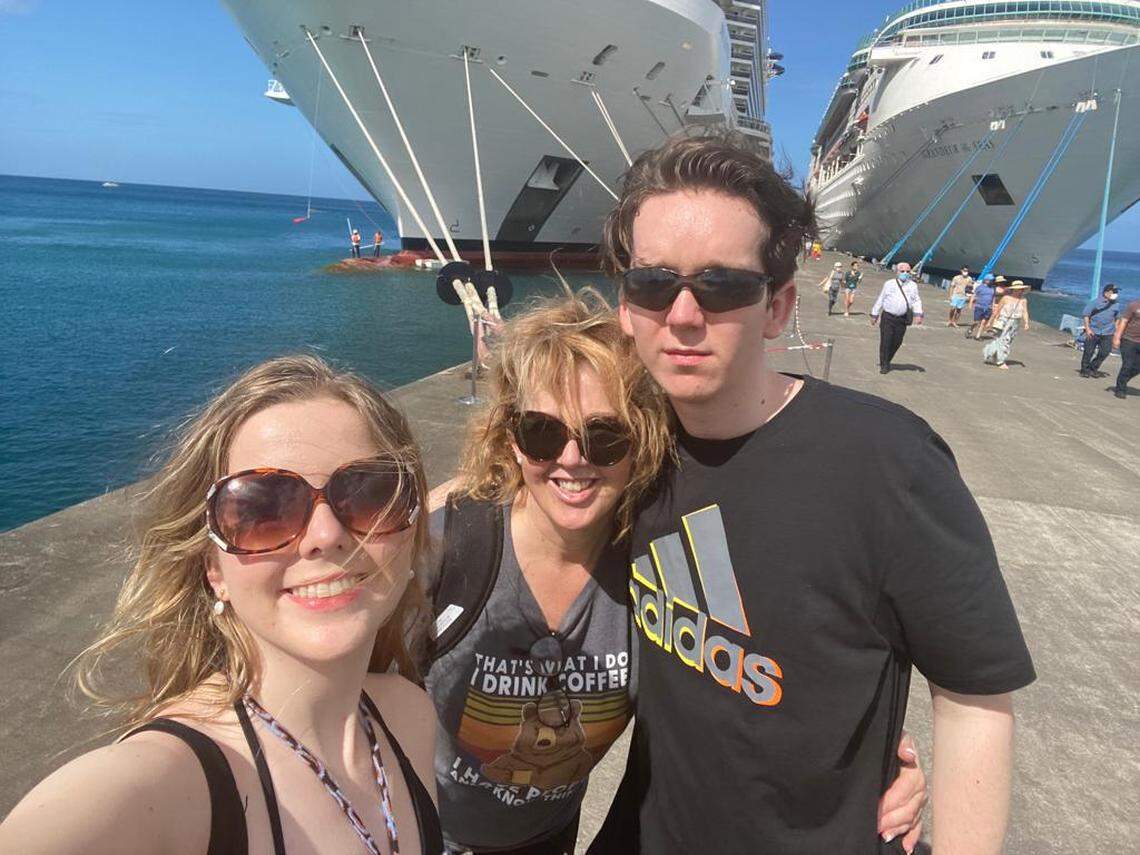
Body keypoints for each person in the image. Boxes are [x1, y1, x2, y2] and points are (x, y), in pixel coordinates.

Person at [594, 133, 1035, 854]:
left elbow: (974, 697)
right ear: (625, 306)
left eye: (721, 285)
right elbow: (496, 498)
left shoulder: (888, 464)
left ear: (777, 307)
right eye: (653, 283)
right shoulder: (618, 447)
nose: (682, 315)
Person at [422, 293, 929, 854]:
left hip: (548, 839)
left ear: (639, 438)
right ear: (511, 441)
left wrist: (876, 752)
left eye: (604, 436)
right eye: (542, 432)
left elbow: (758, 660)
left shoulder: (654, 563)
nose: (571, 458)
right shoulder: (448, 547)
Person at [0, 355, 444, 854]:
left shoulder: (410, 717)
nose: (325, 535)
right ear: (214, 569)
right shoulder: (166, 789)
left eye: (370, 492)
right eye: (262, 507)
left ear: (411, 533)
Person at [870, 261, 924, 373]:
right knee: (886, 341)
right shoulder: (889, 284)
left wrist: (918, 314)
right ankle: (884, 364)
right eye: (902, 271)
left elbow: (916, 300)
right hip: (888, 317)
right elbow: (881, 298)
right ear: (897, 272)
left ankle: (887, 359)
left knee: (897, 342)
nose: (905, 273)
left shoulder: (913, 285)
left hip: (902, 318)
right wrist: (874, 314)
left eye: (907, 271)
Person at [983, 280, 1031, 369]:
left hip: (1015, 323)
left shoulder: (1023, 300)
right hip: (1004, 321)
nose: (1020, 291)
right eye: (1019, 289)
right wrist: (990, 321)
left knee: (1005, 341)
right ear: (1014, 290)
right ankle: (1000, 361)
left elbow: (1025, 311)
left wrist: (1026, 322)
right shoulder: (1006, 298)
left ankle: (991, 353)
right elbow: (997, 310)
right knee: (1004, 341)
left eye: (1022, 289)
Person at [1080, 283, 1122, 378]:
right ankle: (1084, 370)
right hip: (1093, 331)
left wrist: (1116, 329)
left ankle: (1093, 368)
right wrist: (1088, 329)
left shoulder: (1116, 304)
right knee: (1088, 352)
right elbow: (1086, 315)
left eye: (1116, 292)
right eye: (1114, 292)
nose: (1116, 294)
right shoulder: (1095, 302)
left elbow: (1118, 317)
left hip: (1108, 332)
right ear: (1106, 293)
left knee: (1105, 352)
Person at [1111, 295, 1139, 399]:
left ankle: (1123, 379)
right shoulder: (1134, 305)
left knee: (1137, 367)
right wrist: (1116, 337)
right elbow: (1124, 321)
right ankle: (1120, 389)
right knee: (1128, 364)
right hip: (1128, 339)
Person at [967, 273, 997, 339]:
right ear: (986, 280)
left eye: (992, 280)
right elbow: (974, 295)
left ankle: (978, 336)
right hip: (979, 306)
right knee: (976, 322)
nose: (992, 281)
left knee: (983, 322)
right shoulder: (980, 287)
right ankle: (971, 329)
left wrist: (993, 306)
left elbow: (993, 297)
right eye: (991, 280)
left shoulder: (993, 288)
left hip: (988, 307)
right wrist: (970, 303)